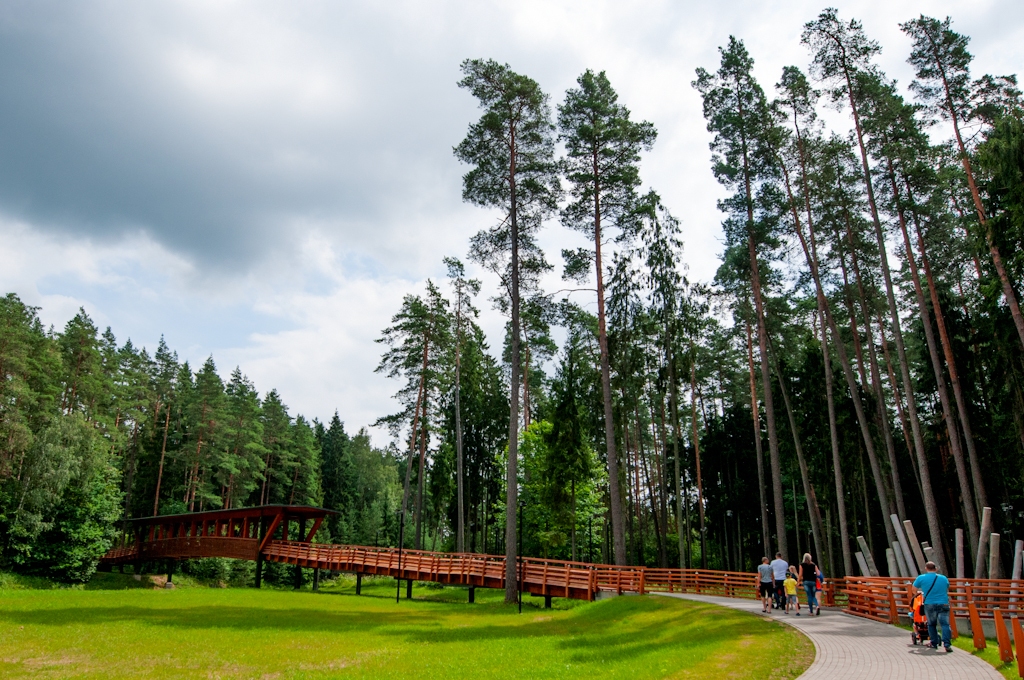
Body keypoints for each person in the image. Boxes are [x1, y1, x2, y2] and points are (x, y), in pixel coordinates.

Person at [910, 561, 952, 653]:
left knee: (931, 624)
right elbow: (947, 587)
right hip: (943, 603)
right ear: (936, 568)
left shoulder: (921, 578)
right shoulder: (943, 578)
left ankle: (934, 643)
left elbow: (914, 590)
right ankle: (947, 644)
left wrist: (920, 593)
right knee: (945, 624)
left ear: (926, 568)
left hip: (930, 603)